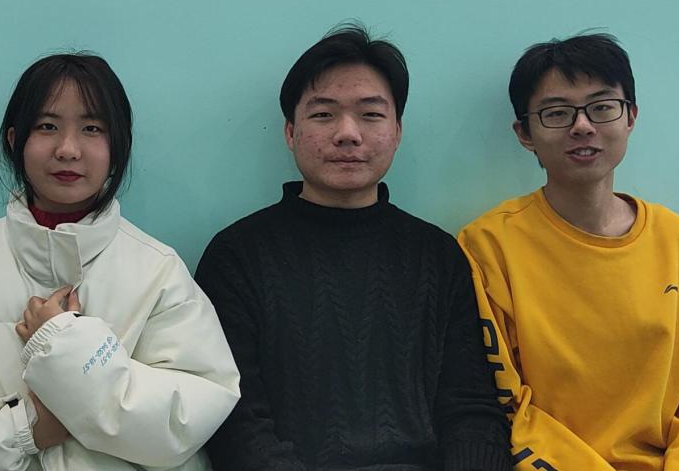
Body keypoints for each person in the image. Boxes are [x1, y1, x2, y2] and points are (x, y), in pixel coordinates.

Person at [195, 24, 511, 470]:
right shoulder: (236, 256)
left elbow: (471, 408)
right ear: (290, 132)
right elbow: (236, 420)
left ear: (397, 131)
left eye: (370, 114)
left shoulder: (438, 255)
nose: (348, 133)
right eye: (324, 114)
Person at [0, 53, 240, 470]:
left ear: (117, 146)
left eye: (92, 129)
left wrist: (65, 348)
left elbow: (190, 417)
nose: (67, 149)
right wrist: (28, 426)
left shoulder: (158, 271)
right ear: (14, 140)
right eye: (47, 126)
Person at [458, 33, 679, 470]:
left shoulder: (677, 238)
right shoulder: (488, 246)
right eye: (557, 113)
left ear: (630, 117)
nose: (583, 126)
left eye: (602, 106)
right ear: (524, 133)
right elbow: (501, 403)